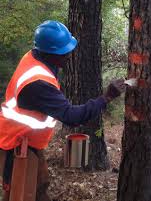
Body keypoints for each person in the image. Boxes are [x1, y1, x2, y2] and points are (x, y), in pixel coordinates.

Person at [0, 20, 125, 201]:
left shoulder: (35, 57)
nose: (68, 55)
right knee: (20, 193)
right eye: (63, 52)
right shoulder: (38, 83)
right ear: (49, 53)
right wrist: (106, 97)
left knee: (40, 186)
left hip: (27, 142)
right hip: (17, 146)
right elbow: (71, 116)